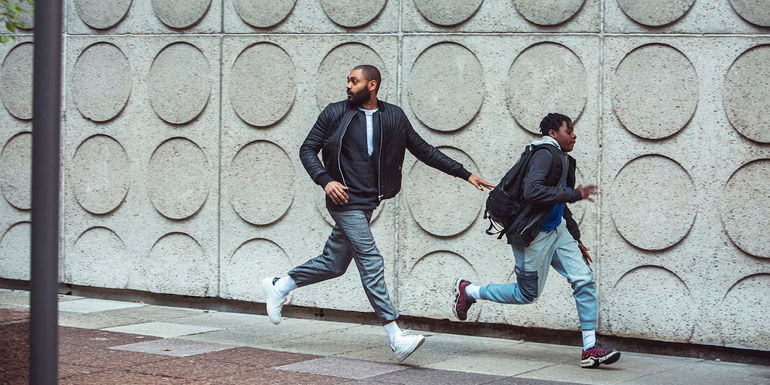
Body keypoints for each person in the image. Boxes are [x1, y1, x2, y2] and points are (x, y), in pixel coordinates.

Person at [263, 64, 495, 362]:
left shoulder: (393, 116)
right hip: (344, 200)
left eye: (354, 81)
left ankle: (279, 285)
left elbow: (423, 150)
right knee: (371, 260)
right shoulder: (335, 113)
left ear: (371, 85)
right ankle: (395, 335)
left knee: (334, 263)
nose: (348, 85)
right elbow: (307, 149)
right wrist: (326, 180)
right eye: (347, 80)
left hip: (369, 201)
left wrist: (464, 174)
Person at [453, 113, 621, 368]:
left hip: (558, 230)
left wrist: (576, 239)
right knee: (526, 294)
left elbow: (559, 204)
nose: (574, 135)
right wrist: (576, 193)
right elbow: (533, 191)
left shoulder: (562, 159)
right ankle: (470, 291)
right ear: (553, 133)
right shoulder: (544, 153)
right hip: (534, 235)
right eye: (569, 130)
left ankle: (590, 348)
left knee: (584, 279)